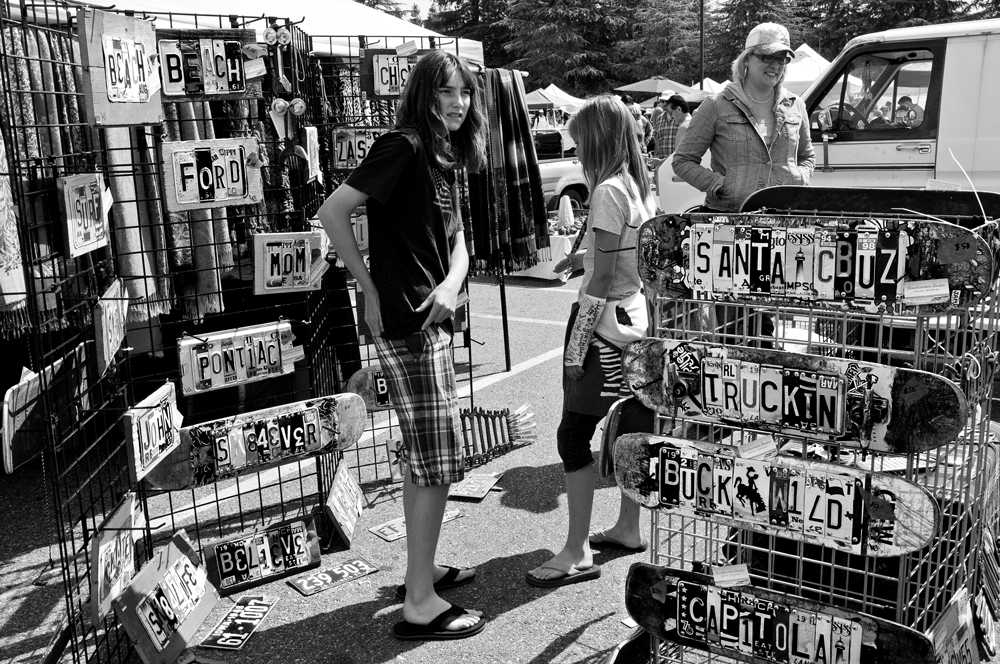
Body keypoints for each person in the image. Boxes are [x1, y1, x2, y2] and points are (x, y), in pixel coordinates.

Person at [318, 49, 487, 641]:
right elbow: (333, 211)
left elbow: (460, 238)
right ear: (423, 93)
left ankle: (422, 571)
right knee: (437, 463)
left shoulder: (446, 155)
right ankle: (419, 600)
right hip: (408, 324)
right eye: (446, 92)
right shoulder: (406, 145)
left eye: (464, 92)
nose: (458, 103)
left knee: (427, 458)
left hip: (431, 317)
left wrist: (450, 283)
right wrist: (366, 287)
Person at [526, 95, 657, 588]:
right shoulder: (637, 186)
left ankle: (576, 549)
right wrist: (579, 262)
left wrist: (576, 349)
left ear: (596, 140)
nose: (575, 149)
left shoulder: (606, 191)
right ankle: (628, 527)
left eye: (579, 141)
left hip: (603, 326)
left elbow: (603, 280)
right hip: (636, 320)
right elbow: (624, 263)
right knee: (629, 428)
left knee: (574, 435)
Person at [672, 22, 815, 212]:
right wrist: (719, 184)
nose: (776, 65)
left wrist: (800, 177)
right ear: (746, 59)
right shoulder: (716, 105)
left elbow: (807, 156)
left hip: (786, 218)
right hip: (731, 219)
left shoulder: (795, 105)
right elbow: (682, 161)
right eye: (767, 57)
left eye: (783, 58)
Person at [651, 91, 679, 159]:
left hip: (677, 160)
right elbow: (656, 138)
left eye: (665, 101)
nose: (663, 103)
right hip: (661, 161)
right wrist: (656, 156)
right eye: (661, 101)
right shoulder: (659, 118)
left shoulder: (681, 117)